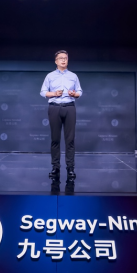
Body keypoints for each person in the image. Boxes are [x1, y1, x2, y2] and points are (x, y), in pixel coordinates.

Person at [40, 50, 82, 182]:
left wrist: (74, 94)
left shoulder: (73, 76)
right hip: (54, 107)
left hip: (69, 107)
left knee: (70, 140)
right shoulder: (50, 76)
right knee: (55, 139)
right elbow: (43, 92)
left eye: (65, 58)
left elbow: (80, 91)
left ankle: (70, 168)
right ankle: (55, 167)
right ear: (56, 61)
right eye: (61, 58)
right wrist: (53, 93)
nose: (63, 60)